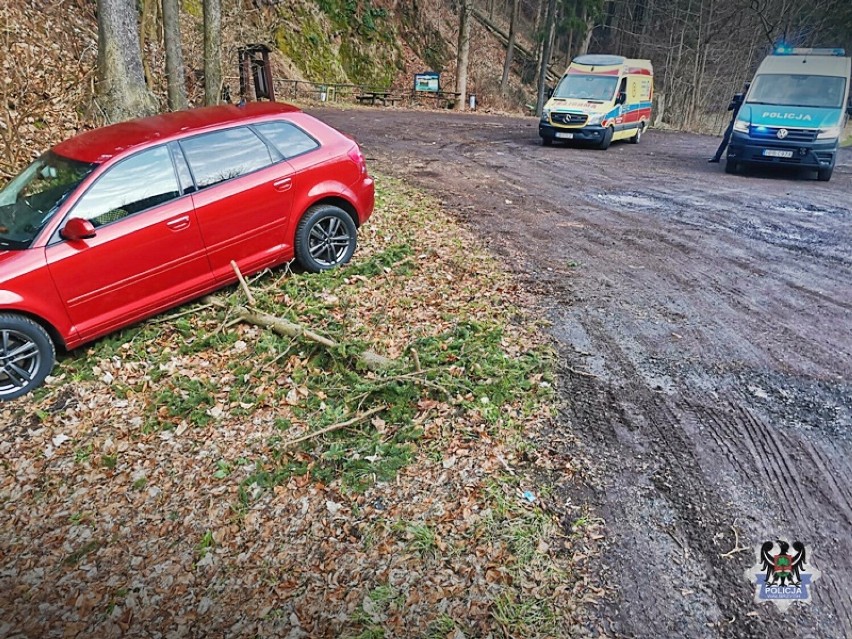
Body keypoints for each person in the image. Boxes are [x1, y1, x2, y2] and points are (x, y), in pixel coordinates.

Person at [709, 82, 750, 163]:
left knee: (739, 140)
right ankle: (717, 157)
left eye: (745, 89)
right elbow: (730, 108)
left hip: (743, 122)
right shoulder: (739, 97)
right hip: (734, 121)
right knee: (726, 138)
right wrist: (735, 102)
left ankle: (736, 158)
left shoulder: (750, 100)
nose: (744, 90)